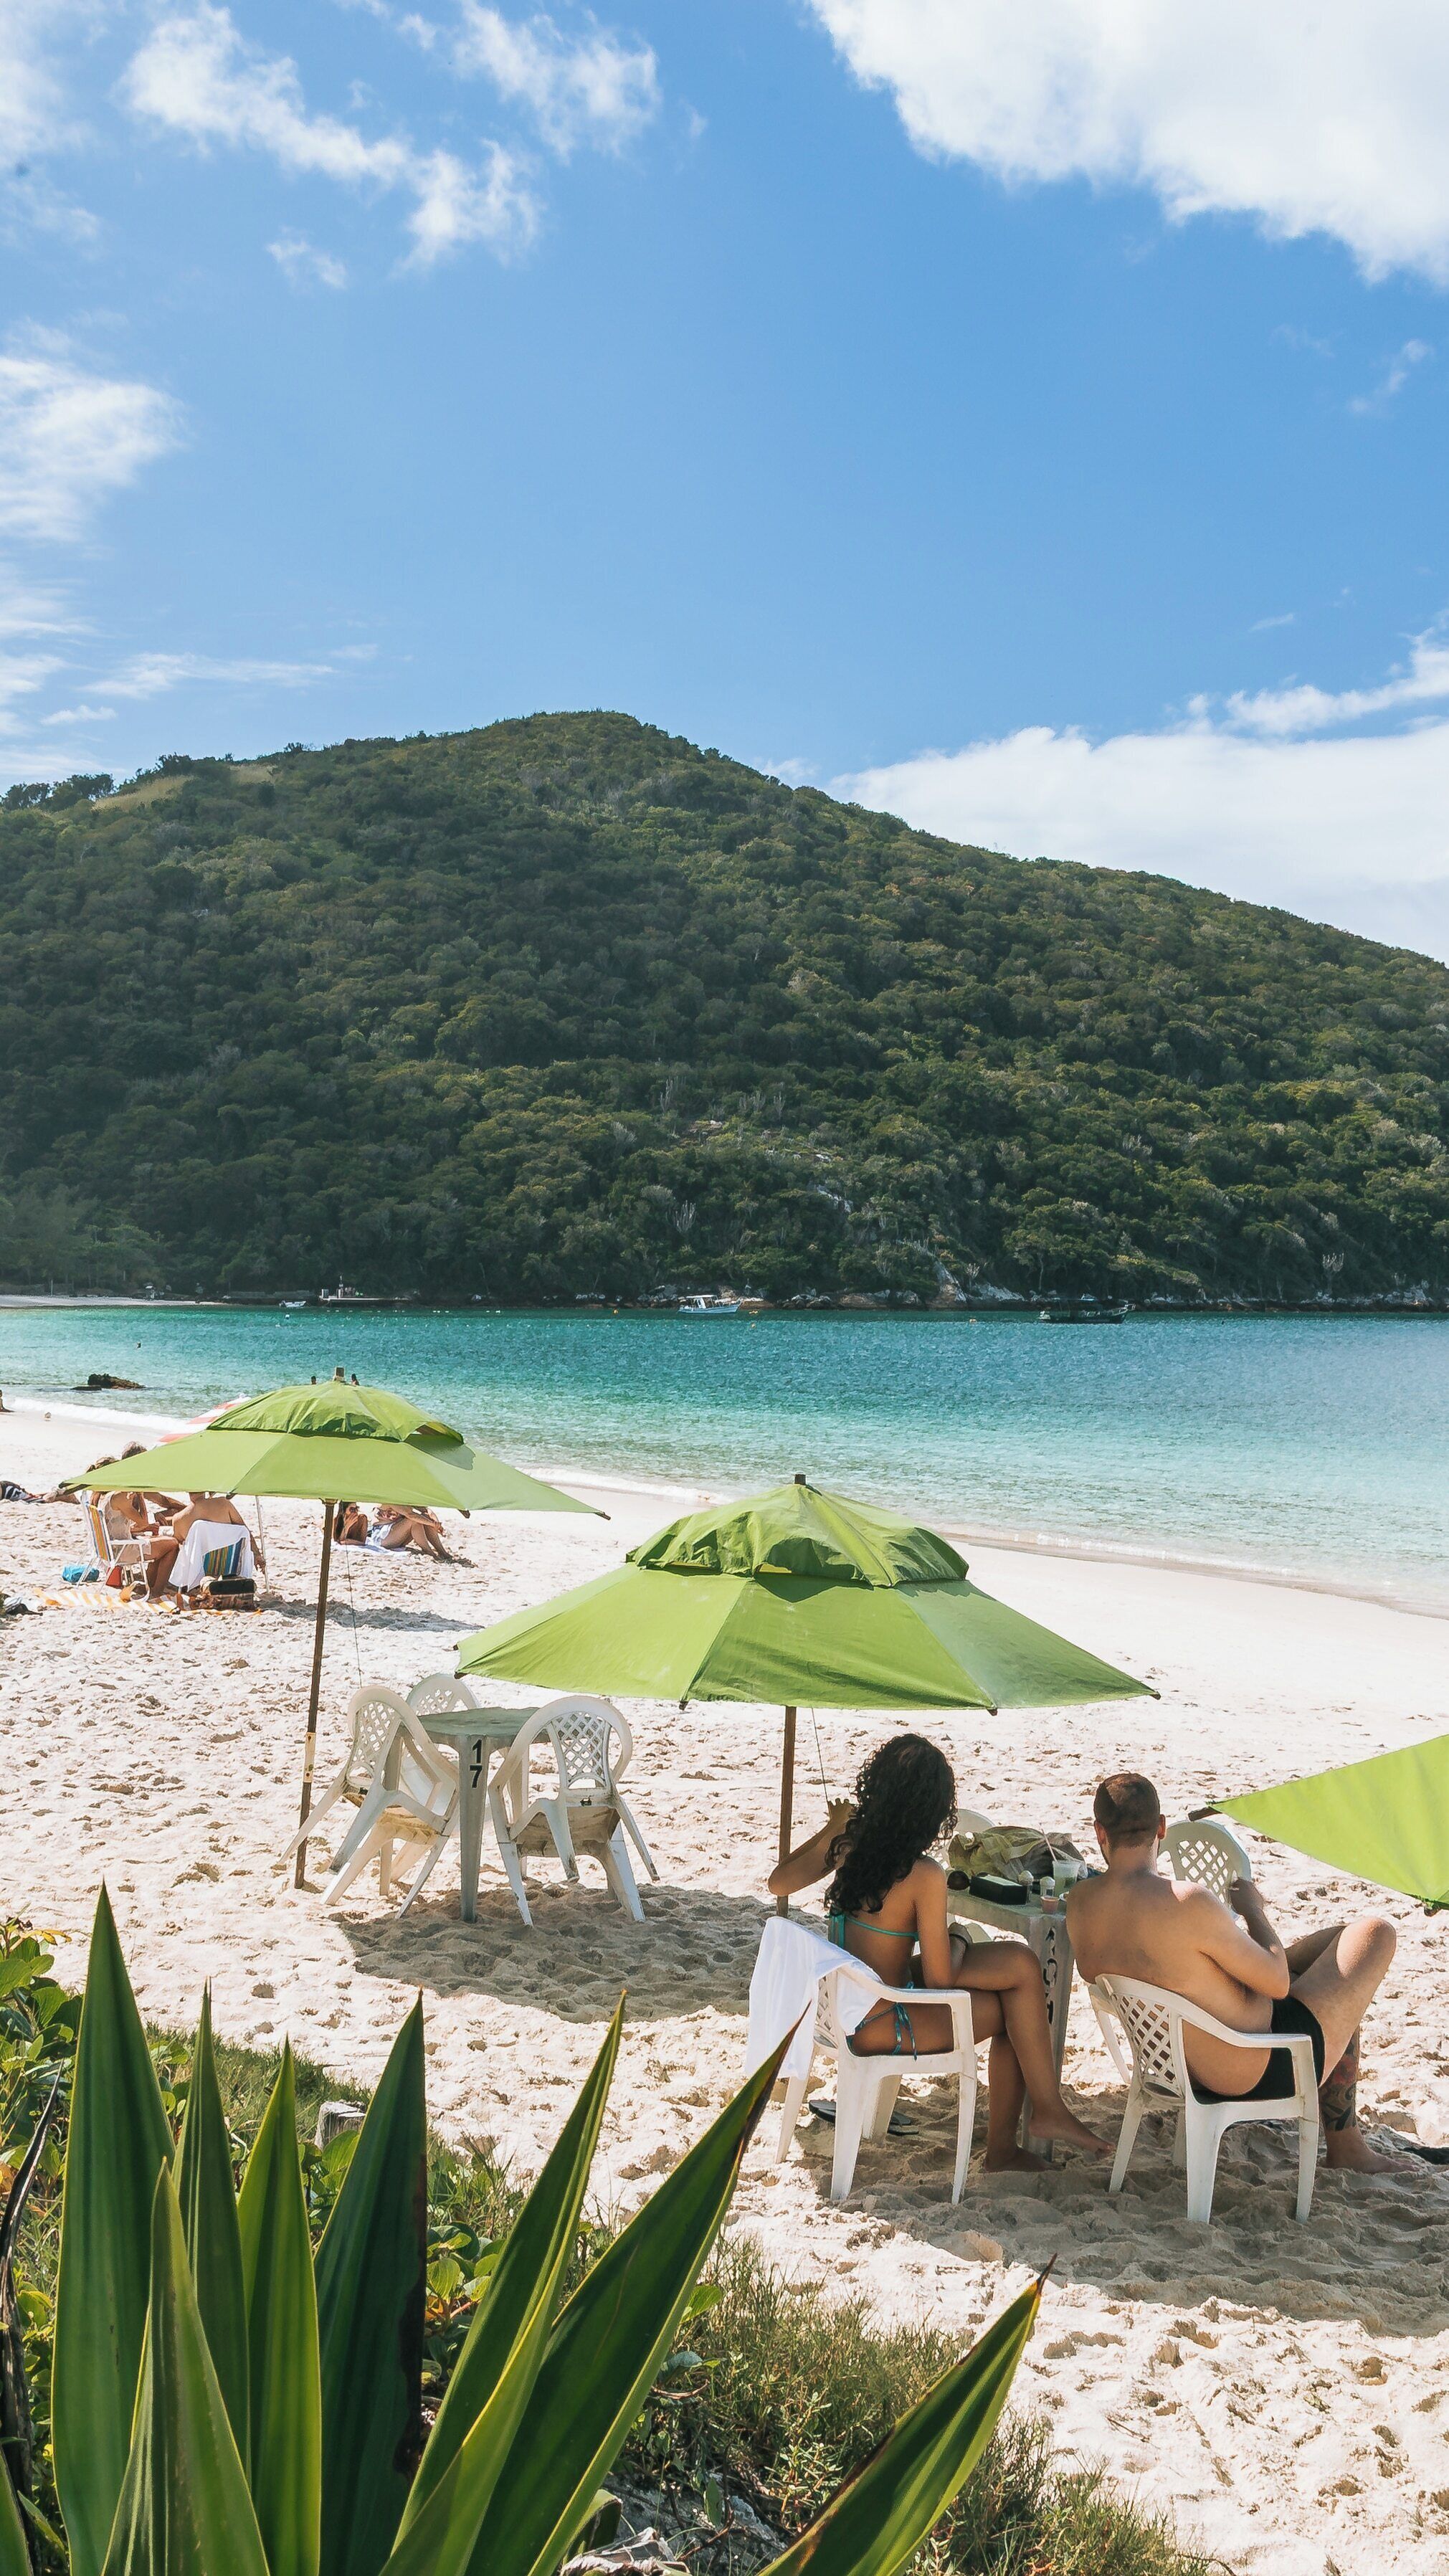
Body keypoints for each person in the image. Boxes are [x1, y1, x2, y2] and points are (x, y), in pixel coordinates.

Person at [769, 1734, 1108, 2171]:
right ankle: (1019, 2135)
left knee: (1023, 1964)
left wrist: (833, 1830)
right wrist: (960, 1939)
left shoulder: (851, 1848)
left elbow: (779, 1883)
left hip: (844, 2003)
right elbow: (940, 1979)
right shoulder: (923, 1874)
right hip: (879, 2021)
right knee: (1016, 2009)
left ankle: (1045, 2110)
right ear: (931, 1813)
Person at [1066, 1773, 1401, 2175]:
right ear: (1161, 1827)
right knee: (1375, 1933)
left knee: (1333, 1945)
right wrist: (1253, 1910)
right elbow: (1277, 1983)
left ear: (1100, 1832)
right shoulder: (1185, 1901)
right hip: (1260, 2062)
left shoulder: (1080, 1904)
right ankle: (1346, 2146)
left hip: (1173, 2065)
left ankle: (1348, 2144)